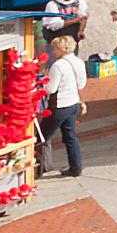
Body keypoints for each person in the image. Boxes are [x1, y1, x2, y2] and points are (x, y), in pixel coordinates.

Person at [42, 34, 87, 179]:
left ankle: (43, 167)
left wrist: (44, 80)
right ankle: (76, 168)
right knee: (71, 137)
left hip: (59, 105)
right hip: (73, 103)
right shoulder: (79, 62)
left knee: (42, 137)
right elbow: (81, 84)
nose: (53, 52)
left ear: (61, 49)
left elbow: (51, 89)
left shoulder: (58, 65)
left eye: (54, 49)